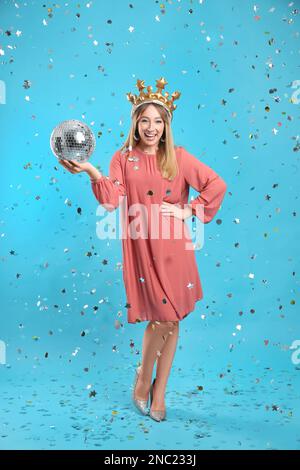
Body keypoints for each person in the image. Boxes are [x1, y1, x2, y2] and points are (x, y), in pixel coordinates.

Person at [59, 77, 227, 422]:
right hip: (141, 247)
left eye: (159, 121)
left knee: (171, 318)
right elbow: (112, 199)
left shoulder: (178, 157)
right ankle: (143, 379)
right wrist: (91, 170)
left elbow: (216, 184)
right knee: (162, 318)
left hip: (175, 248)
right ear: (136, 123)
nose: (152, 127)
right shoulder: (122, 158)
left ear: (167, 125)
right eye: (145, 120)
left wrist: (188, 210)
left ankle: (156, 389)